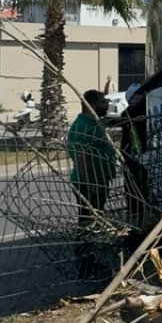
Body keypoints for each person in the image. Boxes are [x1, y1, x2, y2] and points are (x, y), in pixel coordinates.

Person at [67, 89, 117, 278]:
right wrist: (92, 183)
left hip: (97, 181)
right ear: (91, 105)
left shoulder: (91, 123)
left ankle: (88, 258)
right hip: (89, 183)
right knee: (88, 221)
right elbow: (80, 158)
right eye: (102, 101)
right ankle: (86, 262)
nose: (105, 104)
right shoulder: (83, 126)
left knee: (91, 220)